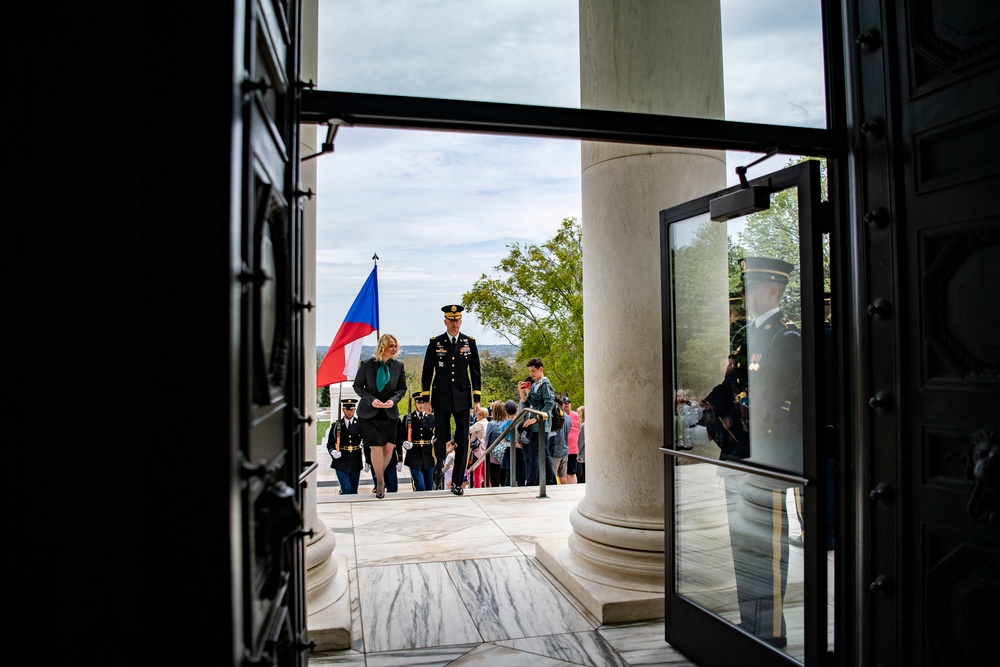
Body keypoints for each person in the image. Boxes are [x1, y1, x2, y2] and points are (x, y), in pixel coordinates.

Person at [726, 256, 803, 649]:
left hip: (767, 458)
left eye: (752, 288)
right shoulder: (748, 337)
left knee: (768, 548)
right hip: (742, 457)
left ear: (772, 290)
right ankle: (750, 621)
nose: (746, 295)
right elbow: (732, 392)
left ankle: (771, 629)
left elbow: (779, 405)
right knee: (745, 547)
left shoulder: (785, 338)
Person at [421, 304, 482, 496]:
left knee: (463, 440)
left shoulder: (468, 342)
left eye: (457, 320)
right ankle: (438, 467)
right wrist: (426, 399)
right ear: (445, 321)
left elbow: (475, 372)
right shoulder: (436, 342)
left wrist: (476, 399)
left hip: (462, 398)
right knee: (442, 438)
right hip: (441, 397)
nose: (455, 324)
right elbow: (427, 372)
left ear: (461, 321)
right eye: (451, 320)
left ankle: (457, 481)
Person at [353, 333, 408, 499]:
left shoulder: (398, 366)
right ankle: (380, 482)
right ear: (382, 347)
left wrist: (393, 400)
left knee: (389, 447)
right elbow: (358, 386)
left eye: (395, 346)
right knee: (376, 446)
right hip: (370, 414)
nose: (393, 349)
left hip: (389, 413)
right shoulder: (367, 365)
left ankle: (379, 474)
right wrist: (372, 400)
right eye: (390, 346)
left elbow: (401, 389)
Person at [517, 358, 555, 486]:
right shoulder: (535, 384)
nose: (531, 374)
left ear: (540, 369)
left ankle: (533, 482)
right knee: (542, 452)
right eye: (530, 371)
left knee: (537, 453)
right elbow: (528, 403)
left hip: (540, 423)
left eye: (533, 371)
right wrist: (522, 392)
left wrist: (536, 417)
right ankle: (548, 481)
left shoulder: (545, 384)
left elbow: (549, 403)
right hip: (534, 423)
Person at [323, 398, 365, 494]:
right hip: (341, 461)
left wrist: (367, 458)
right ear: (343, 410)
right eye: (347, 409)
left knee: (354, 491)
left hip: (355, 460)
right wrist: (332, 451)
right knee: (346, 488)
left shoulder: (359, 424)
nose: (350, 412)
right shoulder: (336, 425)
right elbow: (330, 443)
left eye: (352, 409)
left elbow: (365, 441)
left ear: (355, 410)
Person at [401, 395, 436, 492]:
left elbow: (438, 434)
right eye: (419, 403)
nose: (421, 405)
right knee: (420, 486)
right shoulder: (409, 418)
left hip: (429, 455)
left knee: (429, 486)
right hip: (414, 455)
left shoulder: (432, 418)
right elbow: (402, 435)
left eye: (423, 403)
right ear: (415, 404)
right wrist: (404, 442)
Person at [484, 401, 507, 487]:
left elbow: (487, 441)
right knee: (505, 481)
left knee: (495, 482)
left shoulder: (491, 424)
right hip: (505, 456)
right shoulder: (508, 423)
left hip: (493, 457)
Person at [550, 395, 571, 484]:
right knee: (562, 476)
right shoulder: (568, 418)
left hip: (555, 451)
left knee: (552, 476)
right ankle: (564, 492)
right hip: (565, 450)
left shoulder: (555, 418)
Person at [468, 406, 489, 488]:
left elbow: (469, 430)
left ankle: (477, 488)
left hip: (478, 450)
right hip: (485, 448)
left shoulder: (479, 423)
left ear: (481, 415)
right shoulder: (487, 423)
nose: (476, 416)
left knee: (477, 472)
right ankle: (489, 486)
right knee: (484, 471)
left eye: (477, 414)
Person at [564, 395, 580, 484]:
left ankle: (572, 488)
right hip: (562, 449)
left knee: (571, 472)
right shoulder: (559, 415)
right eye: (565, 403)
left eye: (568, 403)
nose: (567, 405)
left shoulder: (576, 415)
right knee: (563, 473)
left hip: (573, 450)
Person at [575, 405, 586, 483]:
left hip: (584, 455)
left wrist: (578, 454)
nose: (578, 416)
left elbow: (581, 441)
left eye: (579, 413)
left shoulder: (583, 426)